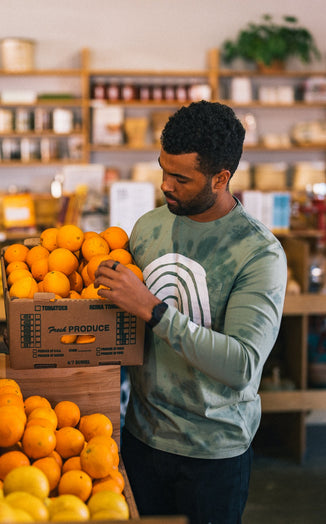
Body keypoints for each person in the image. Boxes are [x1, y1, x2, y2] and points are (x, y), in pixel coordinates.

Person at [94, 100, 287, 524]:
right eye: (162, 169)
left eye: (181, 178)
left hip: (213, 453)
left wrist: (153, 309)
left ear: (221, 178)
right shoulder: (148, 227)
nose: (165, 184)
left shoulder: (258, 254)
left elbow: (242, 364)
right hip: (141, 437)